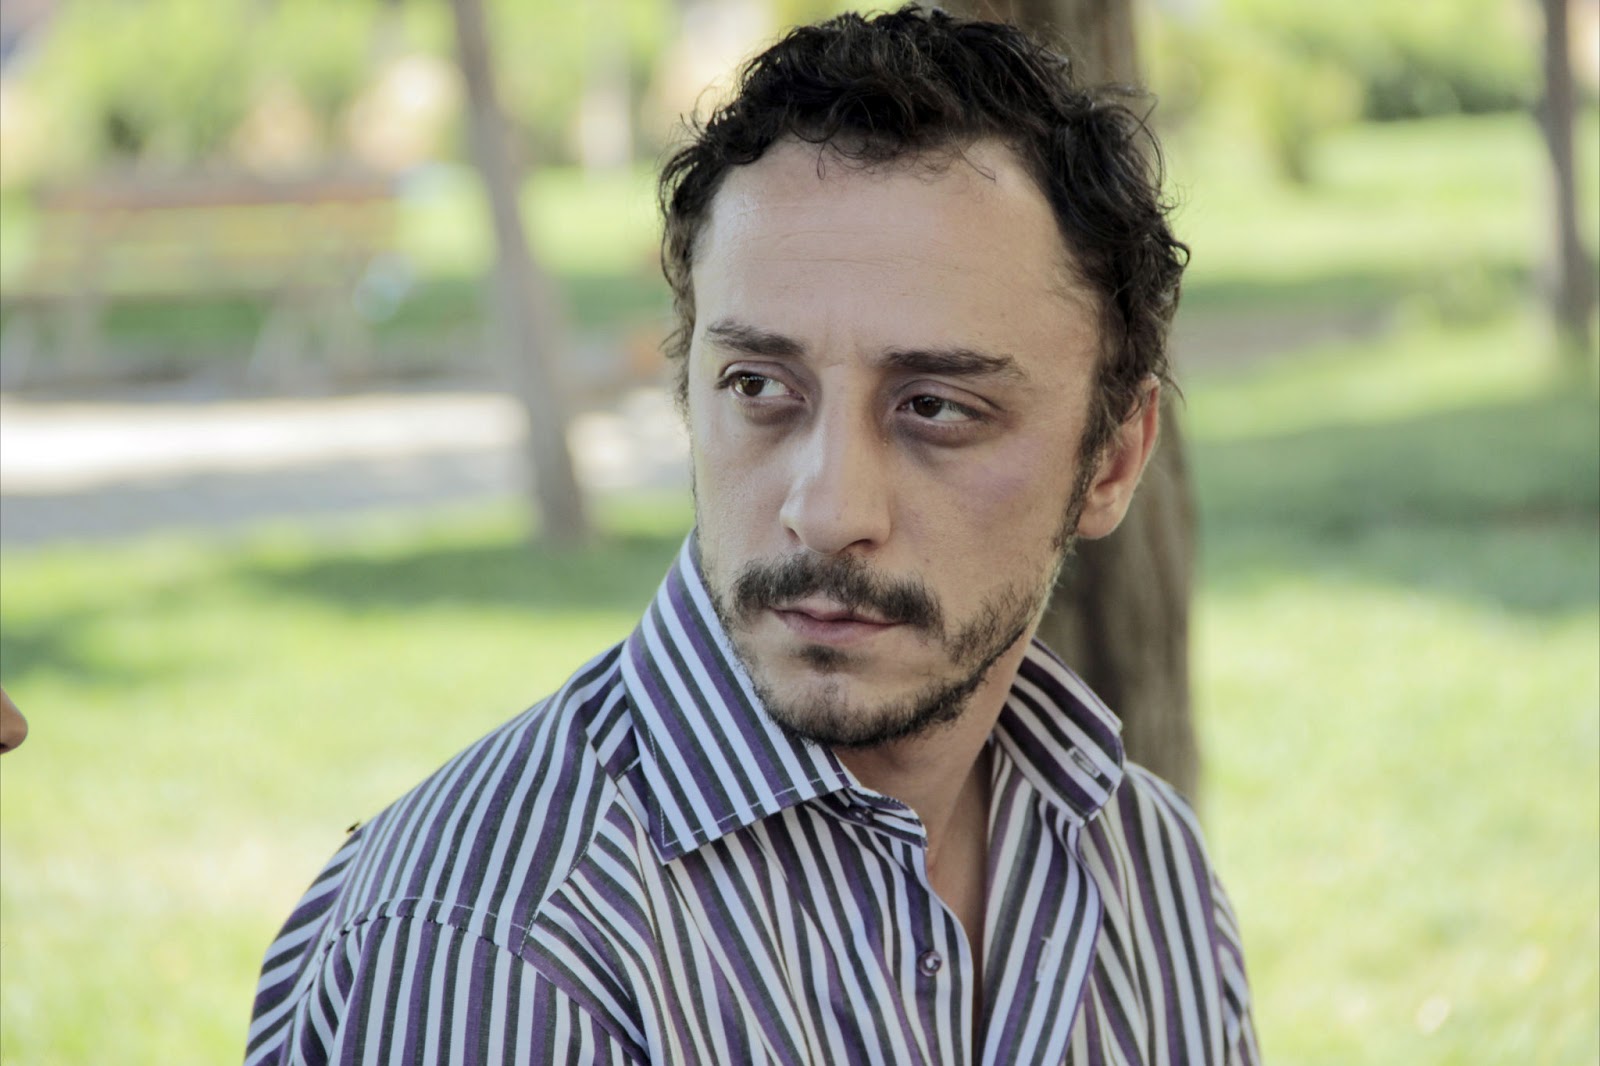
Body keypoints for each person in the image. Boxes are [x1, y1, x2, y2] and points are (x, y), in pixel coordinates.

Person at [246, 7, 1258, 1064]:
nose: (827, 511)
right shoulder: (505, 951)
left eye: (936, 407)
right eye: (759, 387)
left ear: (1112, 461)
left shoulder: (1150, 871)